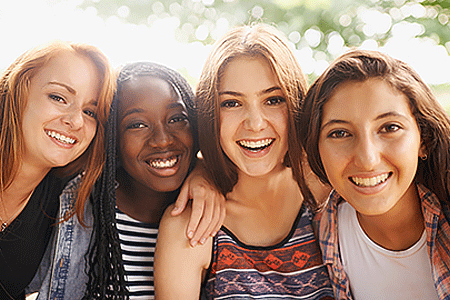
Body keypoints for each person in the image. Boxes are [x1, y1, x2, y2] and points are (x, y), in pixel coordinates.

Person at [154, 23, 335, 299]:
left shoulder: (333, 190)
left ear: (295, 103)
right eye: (232, 103)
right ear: (210, 113)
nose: (255, 123)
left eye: (273, 100)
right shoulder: (193, 226)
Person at [299, 49, 450, 299]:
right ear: (317, 149)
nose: (367, 160)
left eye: (389, 128)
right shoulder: (312, 236)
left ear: (423, 139)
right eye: (340, 133)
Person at [82, 62, 225, 299]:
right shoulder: (83, 210)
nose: (162, 140)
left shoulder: (211, 210)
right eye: (138, 125)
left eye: (177, 119)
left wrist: (204, 169)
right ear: (113, 139)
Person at [0, 40, 115, 300]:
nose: (74, 121)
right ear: (19, 89)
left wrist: (202, 177)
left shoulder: (65, 196)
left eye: (89, 111)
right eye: (58, 97)